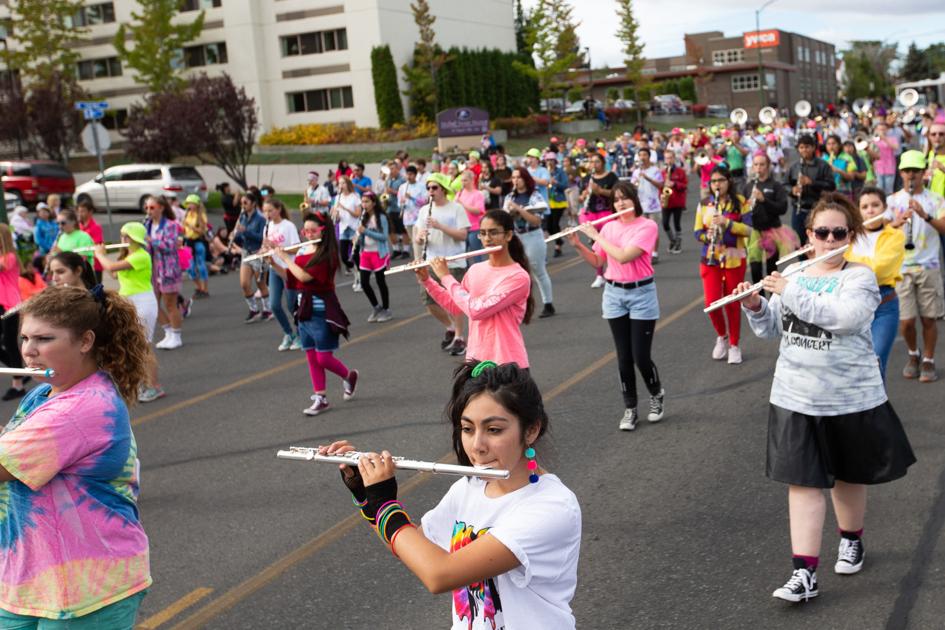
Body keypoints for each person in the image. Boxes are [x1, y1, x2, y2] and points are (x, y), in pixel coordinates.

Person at [736, 193, 915, 604]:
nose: (830, 240)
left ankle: (851, 539)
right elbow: (772, 330)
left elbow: (846, 319)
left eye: (839, 233)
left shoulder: (860, 277)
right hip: (795, 395)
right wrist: (756, 305)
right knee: (803, 482)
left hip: (850, 396)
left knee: (848, 476)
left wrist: (788, 290)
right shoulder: (794, 273)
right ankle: (805, 572)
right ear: (809, 235)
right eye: (823, 232)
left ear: (850, 236)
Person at [321, 361, 581, 629]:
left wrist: (385, 503)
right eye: (467, 429)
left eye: (494, 430)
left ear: (531, 430)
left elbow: (439, 574)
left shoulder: (552, 508)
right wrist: (367, 499)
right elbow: (410, 547)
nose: (477, 446)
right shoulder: (470, 488)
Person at [0, 284, 153, 626]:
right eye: (25, 339)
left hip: (86, 589)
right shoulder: (44, 395)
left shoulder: (81, 407)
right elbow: (11, 444)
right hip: (27, 581)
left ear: (85, 342)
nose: (29, 352)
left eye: (44, 339)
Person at [568, 182, 664, 431]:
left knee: (640, 356)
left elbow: (623, 256)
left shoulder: (647, 226)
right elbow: (599, 260)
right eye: (617, 200)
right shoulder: (610, 226)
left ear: (635, 200)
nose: (620, 203)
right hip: (614, 294)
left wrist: (597, 236)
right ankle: (630, 408)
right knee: (623, 357)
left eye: (625, 198)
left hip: (641, 294)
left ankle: (656, 393)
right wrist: (579, 245)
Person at [419, 209, 534, 367]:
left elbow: (477, 310)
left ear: (508, 235)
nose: (487, 239)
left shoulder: (518, 277)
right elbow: (456, 305)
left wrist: (445, 277)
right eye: (483, 233)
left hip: (507, 362)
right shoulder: (475, 270)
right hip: (476, 361)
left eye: (493, 233)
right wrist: (427, 280)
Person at [274, 213, 358, 416]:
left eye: (313, 231)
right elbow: (292, 277)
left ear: (323, 230)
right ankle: (320, 397)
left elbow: (304, 275)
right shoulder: (304, 250)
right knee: (311, 356)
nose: (308, 234)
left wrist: (285, 257)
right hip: (304, 308)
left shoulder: (327, 254)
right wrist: (274, 263)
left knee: (322, 357)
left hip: (323, 310)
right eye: (306, 231)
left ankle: (348, 375)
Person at [886, 151, 945, 383]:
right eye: (907, 171)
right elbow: (880, 233)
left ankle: (929, 359)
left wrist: (924, 214)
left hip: (929, 266)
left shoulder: (937, 200)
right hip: (902, 268)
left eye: (916, 171)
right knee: (907, 320)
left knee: (929, 318)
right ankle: (913, 353)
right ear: (901, 173)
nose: (912, 175)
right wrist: (896, 223)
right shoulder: (892, 201)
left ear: (924, 173)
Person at [94, 221, 165, 403]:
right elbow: (115, 274)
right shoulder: (128, 256)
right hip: (129, 301)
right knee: (133, 344)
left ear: (134, 238)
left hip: (143, 301)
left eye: (126, 236)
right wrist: (112, 257)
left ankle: (153, 386)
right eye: (122, 235)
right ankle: (143, 383)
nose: (122, 239)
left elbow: (109, 268)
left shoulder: (141, 255)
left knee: (144, 346)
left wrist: (100, 255)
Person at [694, 166, 753, 364]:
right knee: (711, 304)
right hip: (710, 258)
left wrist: (727, 223)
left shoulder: (741, 203)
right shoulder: (704, 204)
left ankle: (735, 345)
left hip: (734, 258)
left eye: (720, 180)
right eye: (713, 181)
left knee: (732, 303)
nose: (716, 185)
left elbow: (748, 230)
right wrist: (706, 235)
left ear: (728, 181)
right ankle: (722, 336)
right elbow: (696, 232)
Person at [845, 187, 904, 379]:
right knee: (853, 369)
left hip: (883, 307)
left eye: (875, 205)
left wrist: (850, 265)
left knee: (875, 364)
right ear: (859, 210)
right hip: (853, 308)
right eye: (865, 207)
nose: (870, 210)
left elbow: (879, 269)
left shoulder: (896, 235)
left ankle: (878, 410)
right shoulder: (848, 237)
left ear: (885, 208)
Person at [417, 173, 472, 355]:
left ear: (443, 190)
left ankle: (459, 337)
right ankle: (449, 327)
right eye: (428, 188)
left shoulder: (456, 208)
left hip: (453, 261)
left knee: (454, 302)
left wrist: (440, 227)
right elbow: (417, 237)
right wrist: (420, 237)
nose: (430, 191)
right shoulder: (424, 210)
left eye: (434, 188)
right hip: (432, 260)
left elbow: (463, 235)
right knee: (429, 302)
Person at [503, 168, 555, 319]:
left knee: (538, 271)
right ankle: (523, 307)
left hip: (533, 236)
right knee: (520, 274)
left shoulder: (535, 195)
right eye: (513, 178)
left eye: (519, 177)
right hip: (516, 238)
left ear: (525, 179)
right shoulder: (509, 197)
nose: (516, 180)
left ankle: (548, 304)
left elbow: (537, 220)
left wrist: (519, 209)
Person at [744, 152, 797, 283]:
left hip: (772, 230)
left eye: (762, 164)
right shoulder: (748, 186)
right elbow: (742, 210)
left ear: (768, 166)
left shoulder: (775, 186)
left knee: (771, 269)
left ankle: (772, 300)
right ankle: (759, 299)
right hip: (755, 231)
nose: (758, 168)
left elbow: (782, 208)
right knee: (755, 269)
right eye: (755, 164)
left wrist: (763, 200)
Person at [143, 195, 184, 349]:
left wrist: (151, 241)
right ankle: (168, 332)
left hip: (168, 268)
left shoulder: (171, 225)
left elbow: (170, 245)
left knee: (170, 304)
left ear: (161, 207)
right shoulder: (147, 225)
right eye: (146, 208)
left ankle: (177, 335)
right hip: (153, 269)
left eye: (152, 207)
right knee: (153, 303)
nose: (148, 211)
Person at [261, 197, 302, 351]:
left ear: (278, 210)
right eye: (265, 211)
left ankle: (300, 334)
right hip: (274, 268)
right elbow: (265, 246)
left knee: (292, 305)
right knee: (274, 305)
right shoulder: (267, 227)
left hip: (289, 268)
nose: (268, 214)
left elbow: (297, 248)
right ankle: (288, 333)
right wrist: (264, 252)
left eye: (270, 210)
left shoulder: (288, 226)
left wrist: (277, 246)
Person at [788, 134, 836, 246]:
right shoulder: (794, 167)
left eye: (807, 147)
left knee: (819, 241)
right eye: (801, 147)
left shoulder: (823, 165)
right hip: (798, 210)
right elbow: (784, 184)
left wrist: (812, 183)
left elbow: (831, 185)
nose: (804, 150)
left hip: (817, 209)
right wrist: (792, 190)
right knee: (799, 242)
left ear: (813, 147)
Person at [579, 152, 619, 287]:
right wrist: (584, 194)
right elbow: (583, 193)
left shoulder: (611, 176)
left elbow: (616, 193)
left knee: (609, 244)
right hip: (592, 213)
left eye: (597, 161)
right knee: (596, 245)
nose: (594, 164)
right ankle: (599, 275)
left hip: (606, 213)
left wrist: (600, 191)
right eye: (592, 162)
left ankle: (614, 270)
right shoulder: (589, 178)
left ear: (602, 162)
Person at [232, 191, 271, 323]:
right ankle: (254, 309)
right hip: (246, 252)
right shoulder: (242, 217)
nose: (242, 205)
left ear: (253, 203)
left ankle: (268, 309)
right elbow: (241, 236)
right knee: (244, 284)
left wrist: (245, 231)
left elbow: (262, 238)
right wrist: (235, 236)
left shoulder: (260, 219)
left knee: (261, 284)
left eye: (245, 203)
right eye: (241, 203)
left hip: (258, 252)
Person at [355, 191, 393, 323]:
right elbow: (363, 235)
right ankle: (376, 307)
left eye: (367, 202)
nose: (364, 204)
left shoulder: (380, 217)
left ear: (374, 203)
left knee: (380, 281)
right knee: (364, 282)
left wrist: (366, 231)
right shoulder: (363, 217)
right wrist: (359, 238)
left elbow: (383, 237)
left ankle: (387, 309)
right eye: (363, 202)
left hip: (379, 253)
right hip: (366, 253)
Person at [0, 225, 25, 401]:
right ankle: (20, 371)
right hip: (2, 305)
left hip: (10, 305)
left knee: (9, 343)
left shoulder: (9, 257)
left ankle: (18, 384)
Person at [332, 176, 363, 282]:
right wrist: (335, 214)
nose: (341, 186)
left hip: (353, 227)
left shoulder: (355, 196)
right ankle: (355, 269)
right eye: (339, 183)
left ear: (348, 184)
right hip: (343, 228)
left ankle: (360, 276)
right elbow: (337, 216)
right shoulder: (338, 198)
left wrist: (344, 208)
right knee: (344, 256)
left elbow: (357, 214)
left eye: (343, 183)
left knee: (356, 254)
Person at [182, 194, 211, 299]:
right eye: (188, 204)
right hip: (188, 242)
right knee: (190, 268)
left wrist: (190, 226)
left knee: (201, 266)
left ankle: (205, 289)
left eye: (191, 204)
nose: (189, 206)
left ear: (196, 204)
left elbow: (202, 231)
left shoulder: (201, 216)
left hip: (198, 242)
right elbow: (184, 229)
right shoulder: (187, 214)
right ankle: (199, 287)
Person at [455, 170, 486, 264]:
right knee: (462, 256)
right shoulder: (460, 193)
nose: (463, 183)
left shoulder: (478, 194)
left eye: (465, 180)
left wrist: (462, 204)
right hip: (462, 228)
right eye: (462, 180)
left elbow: (478, 211)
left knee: (476, 256)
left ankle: (480, 275)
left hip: (474, 228)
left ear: (472, 180)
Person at [398, 165, 428, 261]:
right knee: (413, 240)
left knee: (418, 240)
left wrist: (411, 198)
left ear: (415, 175)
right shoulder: (402, 187)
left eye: (411, 174)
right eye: (407, 174)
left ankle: (419, 260)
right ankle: (419, 259)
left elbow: (424, 201)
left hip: (418, 217)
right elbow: (399, 203)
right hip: (407, 218)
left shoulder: (421, 186)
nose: (408, 176)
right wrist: (402, 203)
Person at [661, 149, 688, 254]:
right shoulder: (662, 172)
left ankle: (678, 243)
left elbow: (685, 185)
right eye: (667, 158)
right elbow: (660, 187)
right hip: (667, 201)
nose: (669, 160)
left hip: (678, 201)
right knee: (665, 223)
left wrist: (675, 184)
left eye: (670, 158)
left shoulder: (680, 171)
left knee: (677, 223)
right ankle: (672, 240)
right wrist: (662, 195)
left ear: (674, 158)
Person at [545, 153, 570, 258]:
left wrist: (555, 182)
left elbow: (565, 185)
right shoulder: (544, 171)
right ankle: (559, 240)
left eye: (552, 160)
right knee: (548, 226)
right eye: (548, 160)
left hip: (559, 201)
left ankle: (557, 246)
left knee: (555, 224)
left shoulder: (560, 172)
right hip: (547, 201)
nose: (550, 162)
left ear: (555, 161)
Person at [77, 199, 105, 284]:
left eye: (83, 211)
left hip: (94, 265)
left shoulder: (96, 227)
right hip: (81, 265)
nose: (80, 214)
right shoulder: (78, 227)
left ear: (90, 212)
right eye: (79, 211)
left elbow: (97, 245)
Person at [824, 134, 857, 200]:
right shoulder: (824, 159)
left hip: (844, 192)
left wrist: (837, 170)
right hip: (828, 192)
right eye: (828, 144)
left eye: (833, 143)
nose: (831, 146)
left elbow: (851, 177)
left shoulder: (847, 158)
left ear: (839, 145)